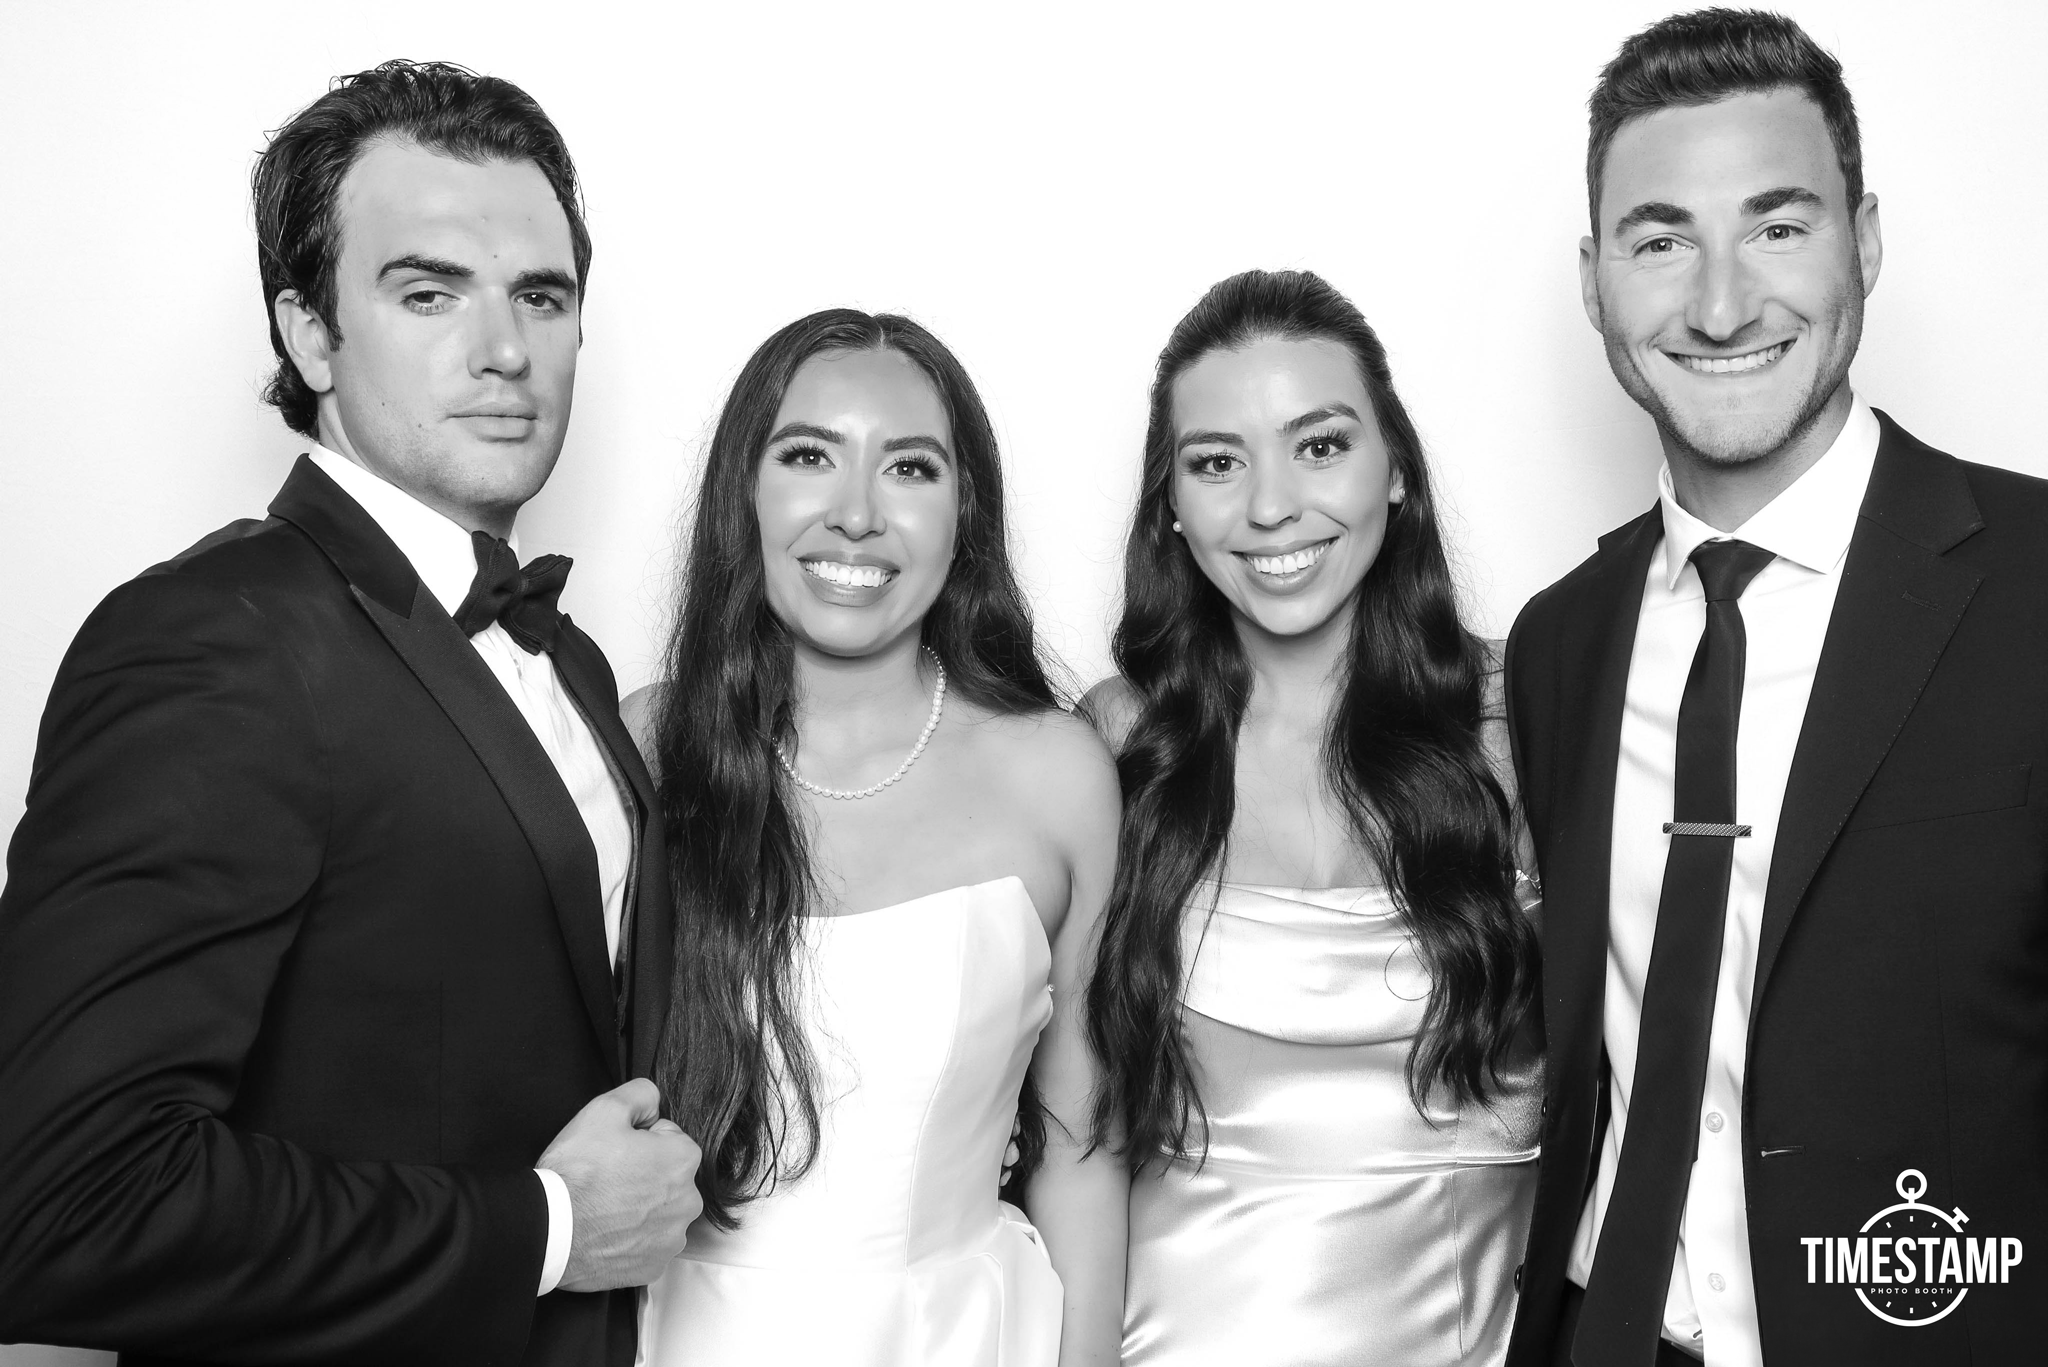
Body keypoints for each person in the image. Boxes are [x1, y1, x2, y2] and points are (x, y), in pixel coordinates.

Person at [0, 62, 701, 1365]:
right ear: (309, 332)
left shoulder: (578, 664)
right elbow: (57, 1205)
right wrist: (546, 1226)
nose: (504, 349)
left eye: (540, 296)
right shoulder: (214, 642)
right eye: (428, 290)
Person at [1504, 11, 2048, 1366]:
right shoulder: (1557, 643)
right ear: (1594, 281)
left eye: (1778, 225)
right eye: (1660, 238)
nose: (1722, 302)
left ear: (1864, 240)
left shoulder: (2039, 585)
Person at [621, 308, 1127, 1366]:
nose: (855, 514)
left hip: (969, 1335)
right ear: (743, 493)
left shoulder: (1055, 773)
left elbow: (1082, 1146)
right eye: (808, 456)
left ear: (962, 513)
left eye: (910, 468)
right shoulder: (645, 748)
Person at [1081, 268, 1542, 1366]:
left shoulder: (1521, 718)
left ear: (1395, 472)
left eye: (1319, 444)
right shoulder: (1115, 744)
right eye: (1214, 462)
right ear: (1170, 506)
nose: (1269, 505)